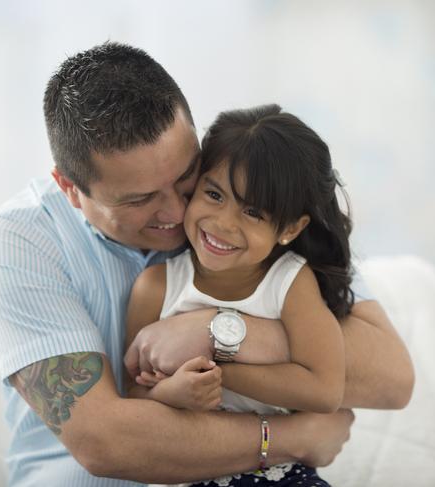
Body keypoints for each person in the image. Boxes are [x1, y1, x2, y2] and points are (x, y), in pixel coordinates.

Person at [0, 42, 414, 487]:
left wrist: (214, 332)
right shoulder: (19, 242)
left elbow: (391, 378)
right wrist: (289, 436)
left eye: (187, 177)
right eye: (140, 199)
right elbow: (106, 443)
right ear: (69, 187)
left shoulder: (241, 200)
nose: (177, 214)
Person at [124, 104, 367, 486]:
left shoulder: (289, 282)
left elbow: (324, 390)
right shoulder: (156, 287)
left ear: (289, 228)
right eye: (214, 194)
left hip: (279, 473)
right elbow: (133, 401)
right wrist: (174, 392)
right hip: (187, 474)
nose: (223, 223)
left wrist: (219, 372)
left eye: (253, 211)